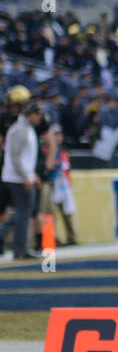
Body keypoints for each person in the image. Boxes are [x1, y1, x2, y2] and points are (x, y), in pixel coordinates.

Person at [1, 99, 45, 260]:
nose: (40, 117)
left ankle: (7, 240)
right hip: (18, 178)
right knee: (23, 213)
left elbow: (25, 157)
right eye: (37, 114)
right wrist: (26, 176)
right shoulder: (21, 129)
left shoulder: (25, 128)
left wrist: (33, 175)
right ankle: (19, 250)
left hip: (20, 176)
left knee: (23, 212)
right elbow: (15, 156)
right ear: (28, 114)